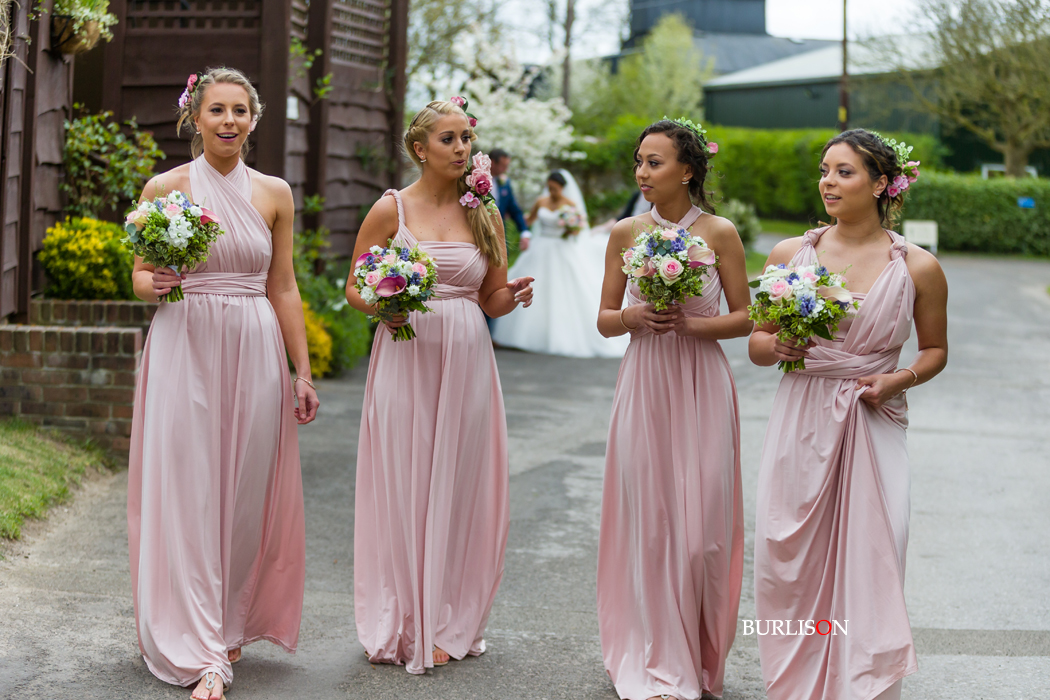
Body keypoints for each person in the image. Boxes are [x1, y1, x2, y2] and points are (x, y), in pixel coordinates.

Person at [128, 67, 318, 700]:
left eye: (240, 110)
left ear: (254, 119)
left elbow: (283, 286)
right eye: (217, 110)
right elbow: (140, 273)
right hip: (185, 341)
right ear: (195, 118)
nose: (229, 121)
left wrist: (303, 370)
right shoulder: (166, 186)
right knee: (188, 485)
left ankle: (228, 619)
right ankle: (198, 641)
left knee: (242, 490)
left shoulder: (274, 194)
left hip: (253, 343)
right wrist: (150, 284)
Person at [749, 129, 948, 700]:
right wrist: (778, 347)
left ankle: (860, 683)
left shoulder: (919, 267)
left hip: (873, 421)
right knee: (789, 560)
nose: (828, 182)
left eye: (844, 172)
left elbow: (934, 350)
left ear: (882, 183)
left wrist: (898, 378)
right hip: (803, 417)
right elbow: (758, 344)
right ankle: (795, 682)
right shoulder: (791, 255)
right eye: (825, 170)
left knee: (876, 552)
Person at [346, 99, 534, 675]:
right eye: (448, 139)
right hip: (406, 353)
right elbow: (355, 286)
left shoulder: (486, 211)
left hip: (468, 356)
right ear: (419, 148)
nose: (461, 149)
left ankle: (449, 616)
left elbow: (490, 297)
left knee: (459, 482)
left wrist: (515, 294)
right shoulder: (391, 209)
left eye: (466, 139)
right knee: (405, 478)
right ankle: (404, 615)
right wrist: (383, 305)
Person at [595, 118, 752, 700]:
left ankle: (699, 653)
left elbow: (747, 316)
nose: (641, 172)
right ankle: (653, 653)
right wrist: (633, 318)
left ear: (687, 169)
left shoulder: (721, 232)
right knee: (651, 524)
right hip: (646, 381)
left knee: (702, 534)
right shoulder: (624, 233)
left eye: (654, 162)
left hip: (702, 383)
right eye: (639, 161)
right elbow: (606, 319)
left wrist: (696, 324)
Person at [490, 170, 629, 358]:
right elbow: (529, 220)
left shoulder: (570, 205)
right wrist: (515, 221)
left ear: (562, 188)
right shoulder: (541, 202)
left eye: (554, 189)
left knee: (561, 289)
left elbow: (578, 230)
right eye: (549, 188)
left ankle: (560, 335)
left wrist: (572, 226)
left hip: (561, 250)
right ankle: (529, 335)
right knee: (533, 287)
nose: (551, 192)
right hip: (540, 248)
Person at [490, 148, 531, 250]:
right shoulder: (473, 180)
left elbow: (514, 209)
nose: (505, 170)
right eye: (503, 166)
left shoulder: (505, 183)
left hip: (499, 234)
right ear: (492, 162)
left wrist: (524, 232)